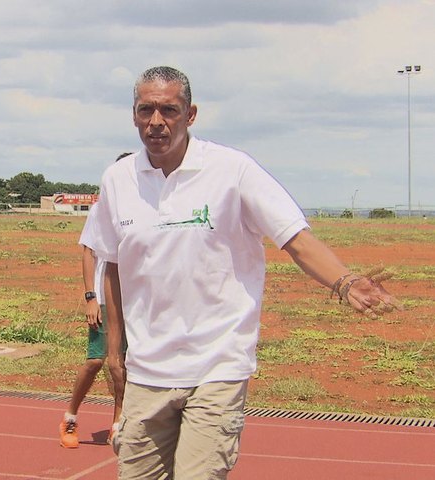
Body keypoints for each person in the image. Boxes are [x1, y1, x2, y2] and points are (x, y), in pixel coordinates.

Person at [91, 66, 401, 479]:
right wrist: (115, 353)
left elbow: (294, 237)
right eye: (146, 110)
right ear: (133, 114)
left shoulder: (232, 170)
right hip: (148, 371)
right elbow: (111, 266)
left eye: (169, 109)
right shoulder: (118, 179)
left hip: (217, 366)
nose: (156, 122)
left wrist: (344, 281)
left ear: (191, 114)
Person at [59, 153, 131, 450]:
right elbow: (89, 252)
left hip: (134, 301)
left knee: (123, 365)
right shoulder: (102, 209)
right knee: (95, 360)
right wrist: (90, 297)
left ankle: (119, 425)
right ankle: (70, 417)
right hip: (104, 297)